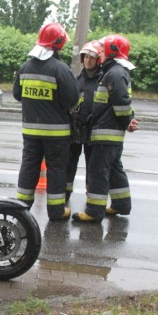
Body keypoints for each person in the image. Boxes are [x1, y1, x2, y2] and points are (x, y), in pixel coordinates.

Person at [13, 22, 80, 220]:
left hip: (31, 132)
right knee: (57, 170)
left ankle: (20, 207)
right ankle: (56, 211)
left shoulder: (25, 67)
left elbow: (18, 95)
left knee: (28, 167)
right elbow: (72, 100)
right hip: (56, 134)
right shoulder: (60, 69)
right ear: (58, 44)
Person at [72, 34, 139, 223]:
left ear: (111, 51)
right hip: (111, 134)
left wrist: (127, 120)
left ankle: (94, 211)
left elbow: (121, 102)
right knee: (114, 169)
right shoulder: (114, 71)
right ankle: (121, 204)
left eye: (103, 49)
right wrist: (128, 120)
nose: (100, 52)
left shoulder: (114, 73)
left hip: (105, 133)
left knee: (98, 172)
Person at [65, 40, 104, 202]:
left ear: (98, 60)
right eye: (85, 57)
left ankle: (92, 197)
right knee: (69, 164)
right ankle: (65, 193)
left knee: (93, 167)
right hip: (76, 130)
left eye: (91, 58)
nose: (88, 61)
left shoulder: (103, 81)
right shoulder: (77, 80)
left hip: (93, 131)